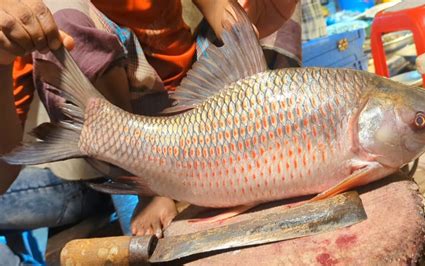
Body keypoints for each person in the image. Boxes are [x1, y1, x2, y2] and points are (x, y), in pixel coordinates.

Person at [0, 0, 300, 262]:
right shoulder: (23, 16)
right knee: (60, 11)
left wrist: (244, 31)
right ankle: (144, 178)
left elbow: (217, 6)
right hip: (113, 151)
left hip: (199, 110)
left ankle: (263, 149)